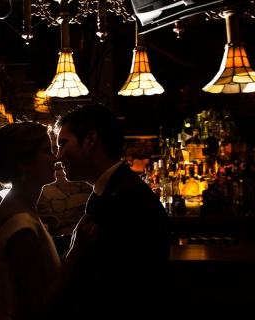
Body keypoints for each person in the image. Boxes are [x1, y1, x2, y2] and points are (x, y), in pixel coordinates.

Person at [53, 103, 172, 319]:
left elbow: (107, 283)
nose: (58, 156)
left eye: (62, 144)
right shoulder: (111, 188)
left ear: (91, 140)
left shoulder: (127, 198)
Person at [0, 122, 98, 320]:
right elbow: (37, 308)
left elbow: (45, 275)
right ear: (23, 163)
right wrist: (76, 252)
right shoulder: (21, 226)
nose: (56, 158)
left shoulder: (19, 206)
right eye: (47, 151)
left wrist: (75, 245)